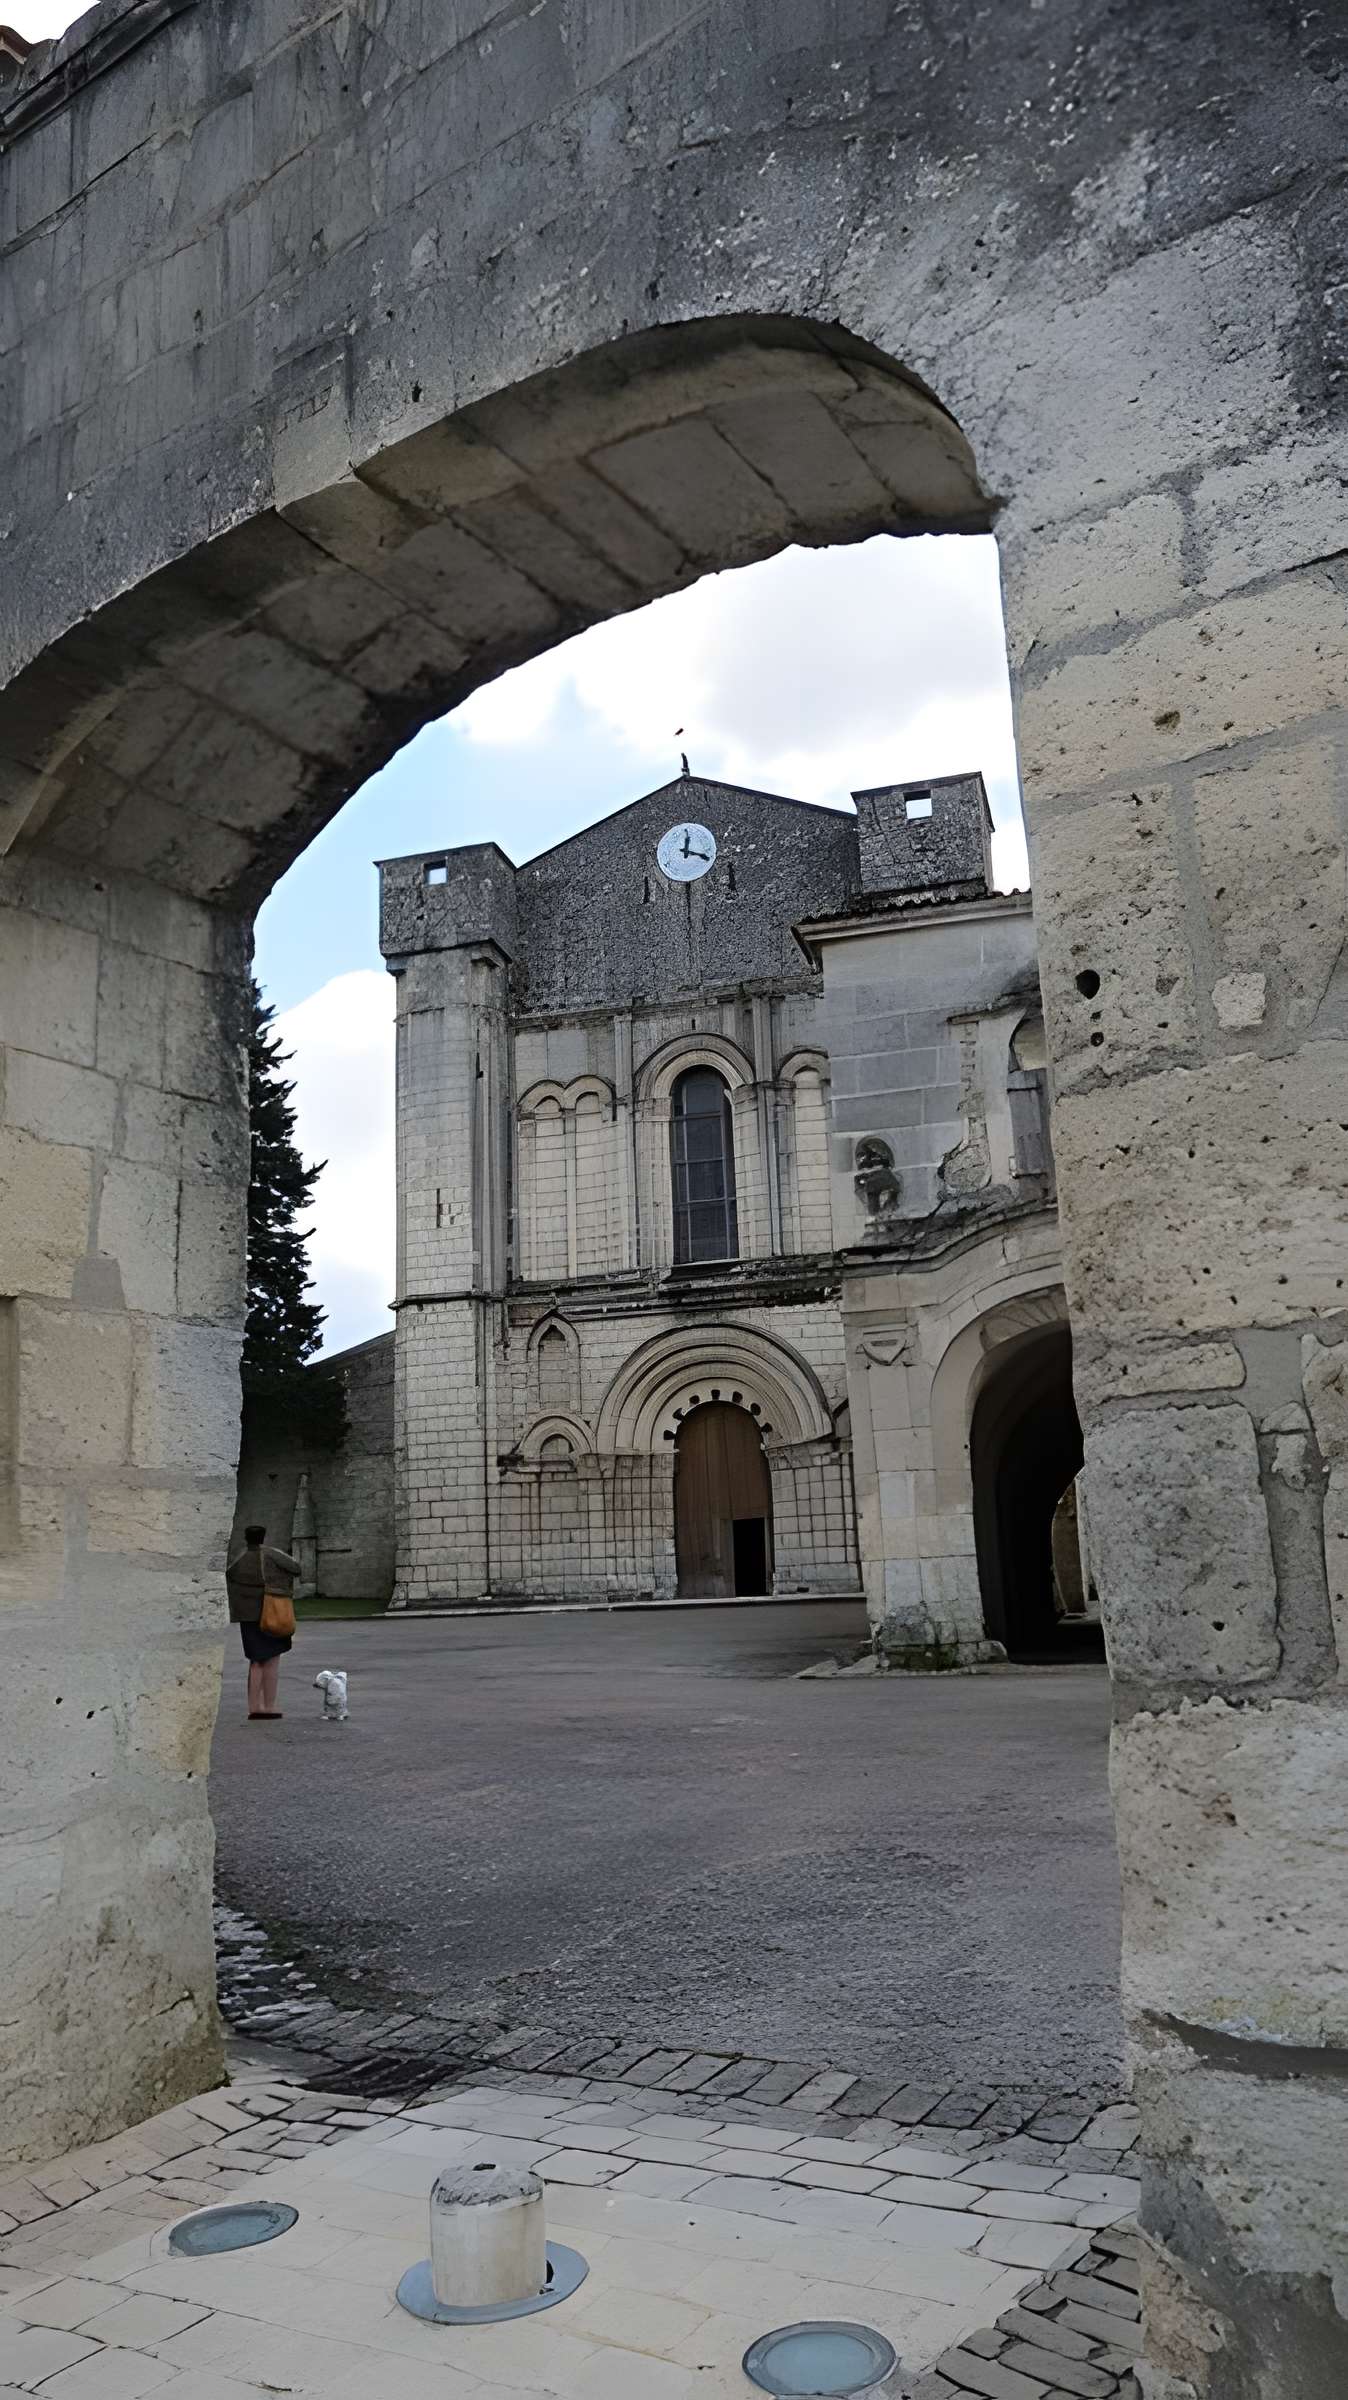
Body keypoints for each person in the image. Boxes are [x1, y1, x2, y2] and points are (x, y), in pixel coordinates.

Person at [226, 1523, 299, 1720]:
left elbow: (230, 1575)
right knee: (272, 1659)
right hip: (272, 1610)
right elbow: (295, 1567)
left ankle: (254, 1706)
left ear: (246, 1538)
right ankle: (269, 1706)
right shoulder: (271, 1554)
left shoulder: (240, 1559)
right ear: (263, 1537)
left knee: (256, 1661)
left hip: (248, 1616)